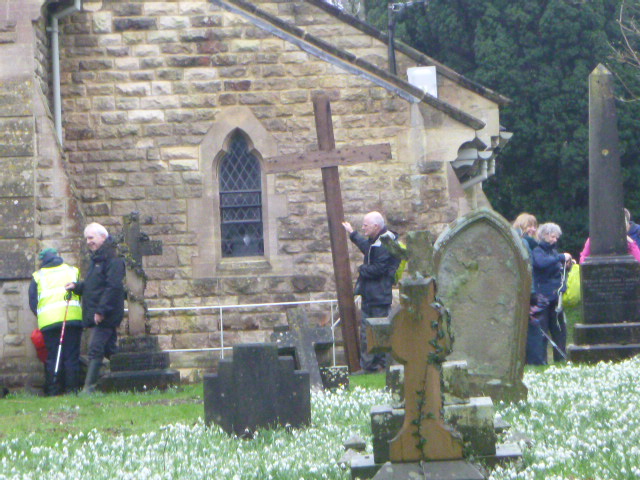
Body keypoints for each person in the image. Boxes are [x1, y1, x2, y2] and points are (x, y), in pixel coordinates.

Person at [66, 223, 126, 393]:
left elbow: (113, 287)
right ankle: (127, 377)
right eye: (86, 238)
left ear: (103, 237)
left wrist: (101, 311)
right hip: (98, 312)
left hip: (105, 315)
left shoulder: (113, 258)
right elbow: (95, 285)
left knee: (95, 348)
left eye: (91, 238)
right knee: (110, 349)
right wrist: (77, 287)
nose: (88, 242)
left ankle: (89, 388)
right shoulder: (97, 259)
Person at [342, 211, 400, 373]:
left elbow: (379, 268)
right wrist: (352, 234)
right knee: (374, 330)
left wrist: (362, 269)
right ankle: (377, 365)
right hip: (375, 294)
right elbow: (367, 248)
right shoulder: (378, 241)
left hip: (378, 295)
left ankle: (371, 366)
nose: (363, 228)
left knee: (371, 331)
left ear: (376, 226)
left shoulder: (384, 244)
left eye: (365, 225)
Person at [29, 248, 83, 395]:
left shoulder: (38, 276)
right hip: (72, 317)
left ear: (42, 261)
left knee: (53, 356)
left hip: (49, 322)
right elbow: (82, 291)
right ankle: (72, 389)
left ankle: (54, 390)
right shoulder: (72, 271)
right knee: (71, 356)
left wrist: (43, 314)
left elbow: (33, 302)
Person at [528, 223, 572, 365]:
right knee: (543, 330)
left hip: (555, 297)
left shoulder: (553, 251)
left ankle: (560, 358)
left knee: (559, 329)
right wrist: (560, 257)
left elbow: (555, 267)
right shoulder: (538, 251)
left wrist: (566, 265)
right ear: (545, 236)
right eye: (553, 237)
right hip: (543, 297)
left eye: (556, 237)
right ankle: (541, 361)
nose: (555, 240)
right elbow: (541, 263)